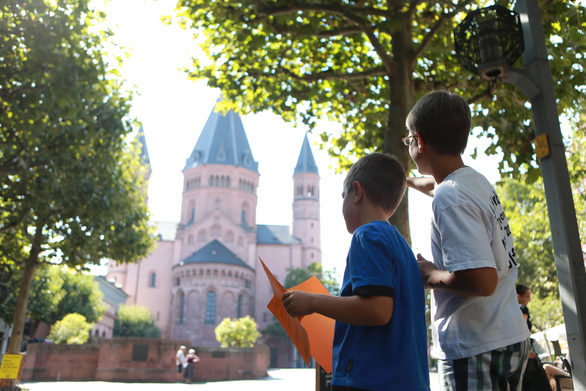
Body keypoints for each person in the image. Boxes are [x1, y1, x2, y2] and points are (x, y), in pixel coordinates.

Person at [405, 90, 531, 391]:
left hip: (475, 346)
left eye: (408, 139)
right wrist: (407, 181)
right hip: (507, 335)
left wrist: (430, 275)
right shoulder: (472, 182)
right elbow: (440, 188)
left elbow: (482, 282)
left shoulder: (450, 196)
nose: (408, 145)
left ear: (419, 142)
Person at [282, 153, 430, 391]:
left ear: (356, 192)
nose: (342, 206)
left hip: (369, 379)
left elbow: (378, 310)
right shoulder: (401, 245)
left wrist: (313, 302)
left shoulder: (367, 236)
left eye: (343, 197)